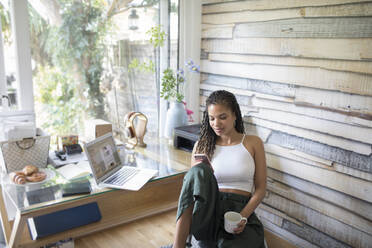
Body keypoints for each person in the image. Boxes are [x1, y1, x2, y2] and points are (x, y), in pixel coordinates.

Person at [173, 90, 267, 248]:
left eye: (222, 117)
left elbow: (261, 188)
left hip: (238, 210)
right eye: (212, 118)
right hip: (208, 209)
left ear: (235, 115)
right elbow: (192, 190)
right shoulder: (201, 145)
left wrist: (243, 216)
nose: (216, 123)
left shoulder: (253, 143)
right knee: (197, 172)